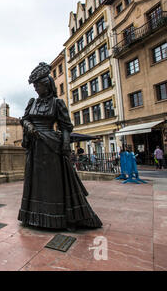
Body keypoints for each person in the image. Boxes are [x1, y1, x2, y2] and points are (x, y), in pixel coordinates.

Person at [18, 62, 102, 231]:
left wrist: (65, 145)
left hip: (51, 147)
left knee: (53, 183)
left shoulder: (57, 103)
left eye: (38, 86)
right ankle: (33, 216)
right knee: (35, 183)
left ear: (47, 86)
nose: (36, 89)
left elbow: (66, 127)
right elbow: (25, 118)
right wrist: (29, 127)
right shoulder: (32, 102)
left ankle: (60, 217)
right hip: (35, 147)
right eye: (34, 86)